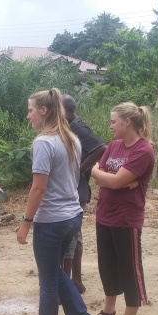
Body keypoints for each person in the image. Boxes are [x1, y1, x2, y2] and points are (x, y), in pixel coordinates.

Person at [15, 88, 95, 315]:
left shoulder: (44, 142)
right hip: (72, 216)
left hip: (51, 221)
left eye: (30, 110)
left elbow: (38, 188)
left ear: (44, 111)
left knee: (48, 279)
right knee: (55, 271)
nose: (28, 116)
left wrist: (26, 222)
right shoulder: (71, 138)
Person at [90, 102, 156, 315]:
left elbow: (111, 179)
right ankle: (109, 311)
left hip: (126, 219)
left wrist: (110, 177)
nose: (110, 127)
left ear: (127, 123)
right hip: (104, 214)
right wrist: (114, 179)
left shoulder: (143, 150)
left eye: (113, 121)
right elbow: (99, 177)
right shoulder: (114, 146)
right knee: (107, 267)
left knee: (129, 269)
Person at [61, 94, 106, 294]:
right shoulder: (69, 126)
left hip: (76, 191)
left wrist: (81, 169)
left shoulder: (78, 127)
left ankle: (69, 284)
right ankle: (76, 281)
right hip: (76, 190)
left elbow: (101, 148)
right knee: (76, 237)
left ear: (68, 110)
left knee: (69, 238)